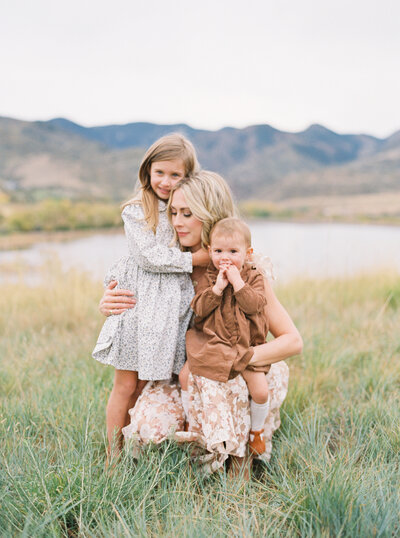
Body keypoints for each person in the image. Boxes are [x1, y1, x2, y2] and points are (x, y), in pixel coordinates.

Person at [100, 169, 302, 475]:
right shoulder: (165, 263)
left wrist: (236, 359)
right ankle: (188, 455)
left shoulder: (245, 268)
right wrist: (108, 300)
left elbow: (292, 340)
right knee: (149, 428)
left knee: (222, 388)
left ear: (210, 216)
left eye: (188, 214)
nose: (177, 222)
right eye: (174, 213)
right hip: (181, 376)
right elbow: (129, 288)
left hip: (234, 371)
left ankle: (241, 459)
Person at [93, 133, 209, 458]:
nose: (167, 182)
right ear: (147, 170)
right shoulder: (136, 211)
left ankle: (137, 449)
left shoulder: (186, 210)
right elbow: (148, 258)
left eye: (176, 175)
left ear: (189, 178)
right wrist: (194, 259)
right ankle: (113, 456)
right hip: (137, 308)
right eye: (160, 172)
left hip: (170, 312)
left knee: (146, 387)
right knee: (126, 386)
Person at [179, 217, 271, 456]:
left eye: (233, 251)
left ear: (247, 254)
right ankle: (190, 422)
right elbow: (198, 309)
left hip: (245, 345)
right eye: (218, 251)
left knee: (260, 390)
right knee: (185, 375)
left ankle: (257, 432)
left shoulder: (254, 276)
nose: (225, 257)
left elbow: (256, 305)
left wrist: (238, 282)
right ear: (209, 251)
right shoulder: (209, 278)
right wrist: (217, 288)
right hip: (213, 343)